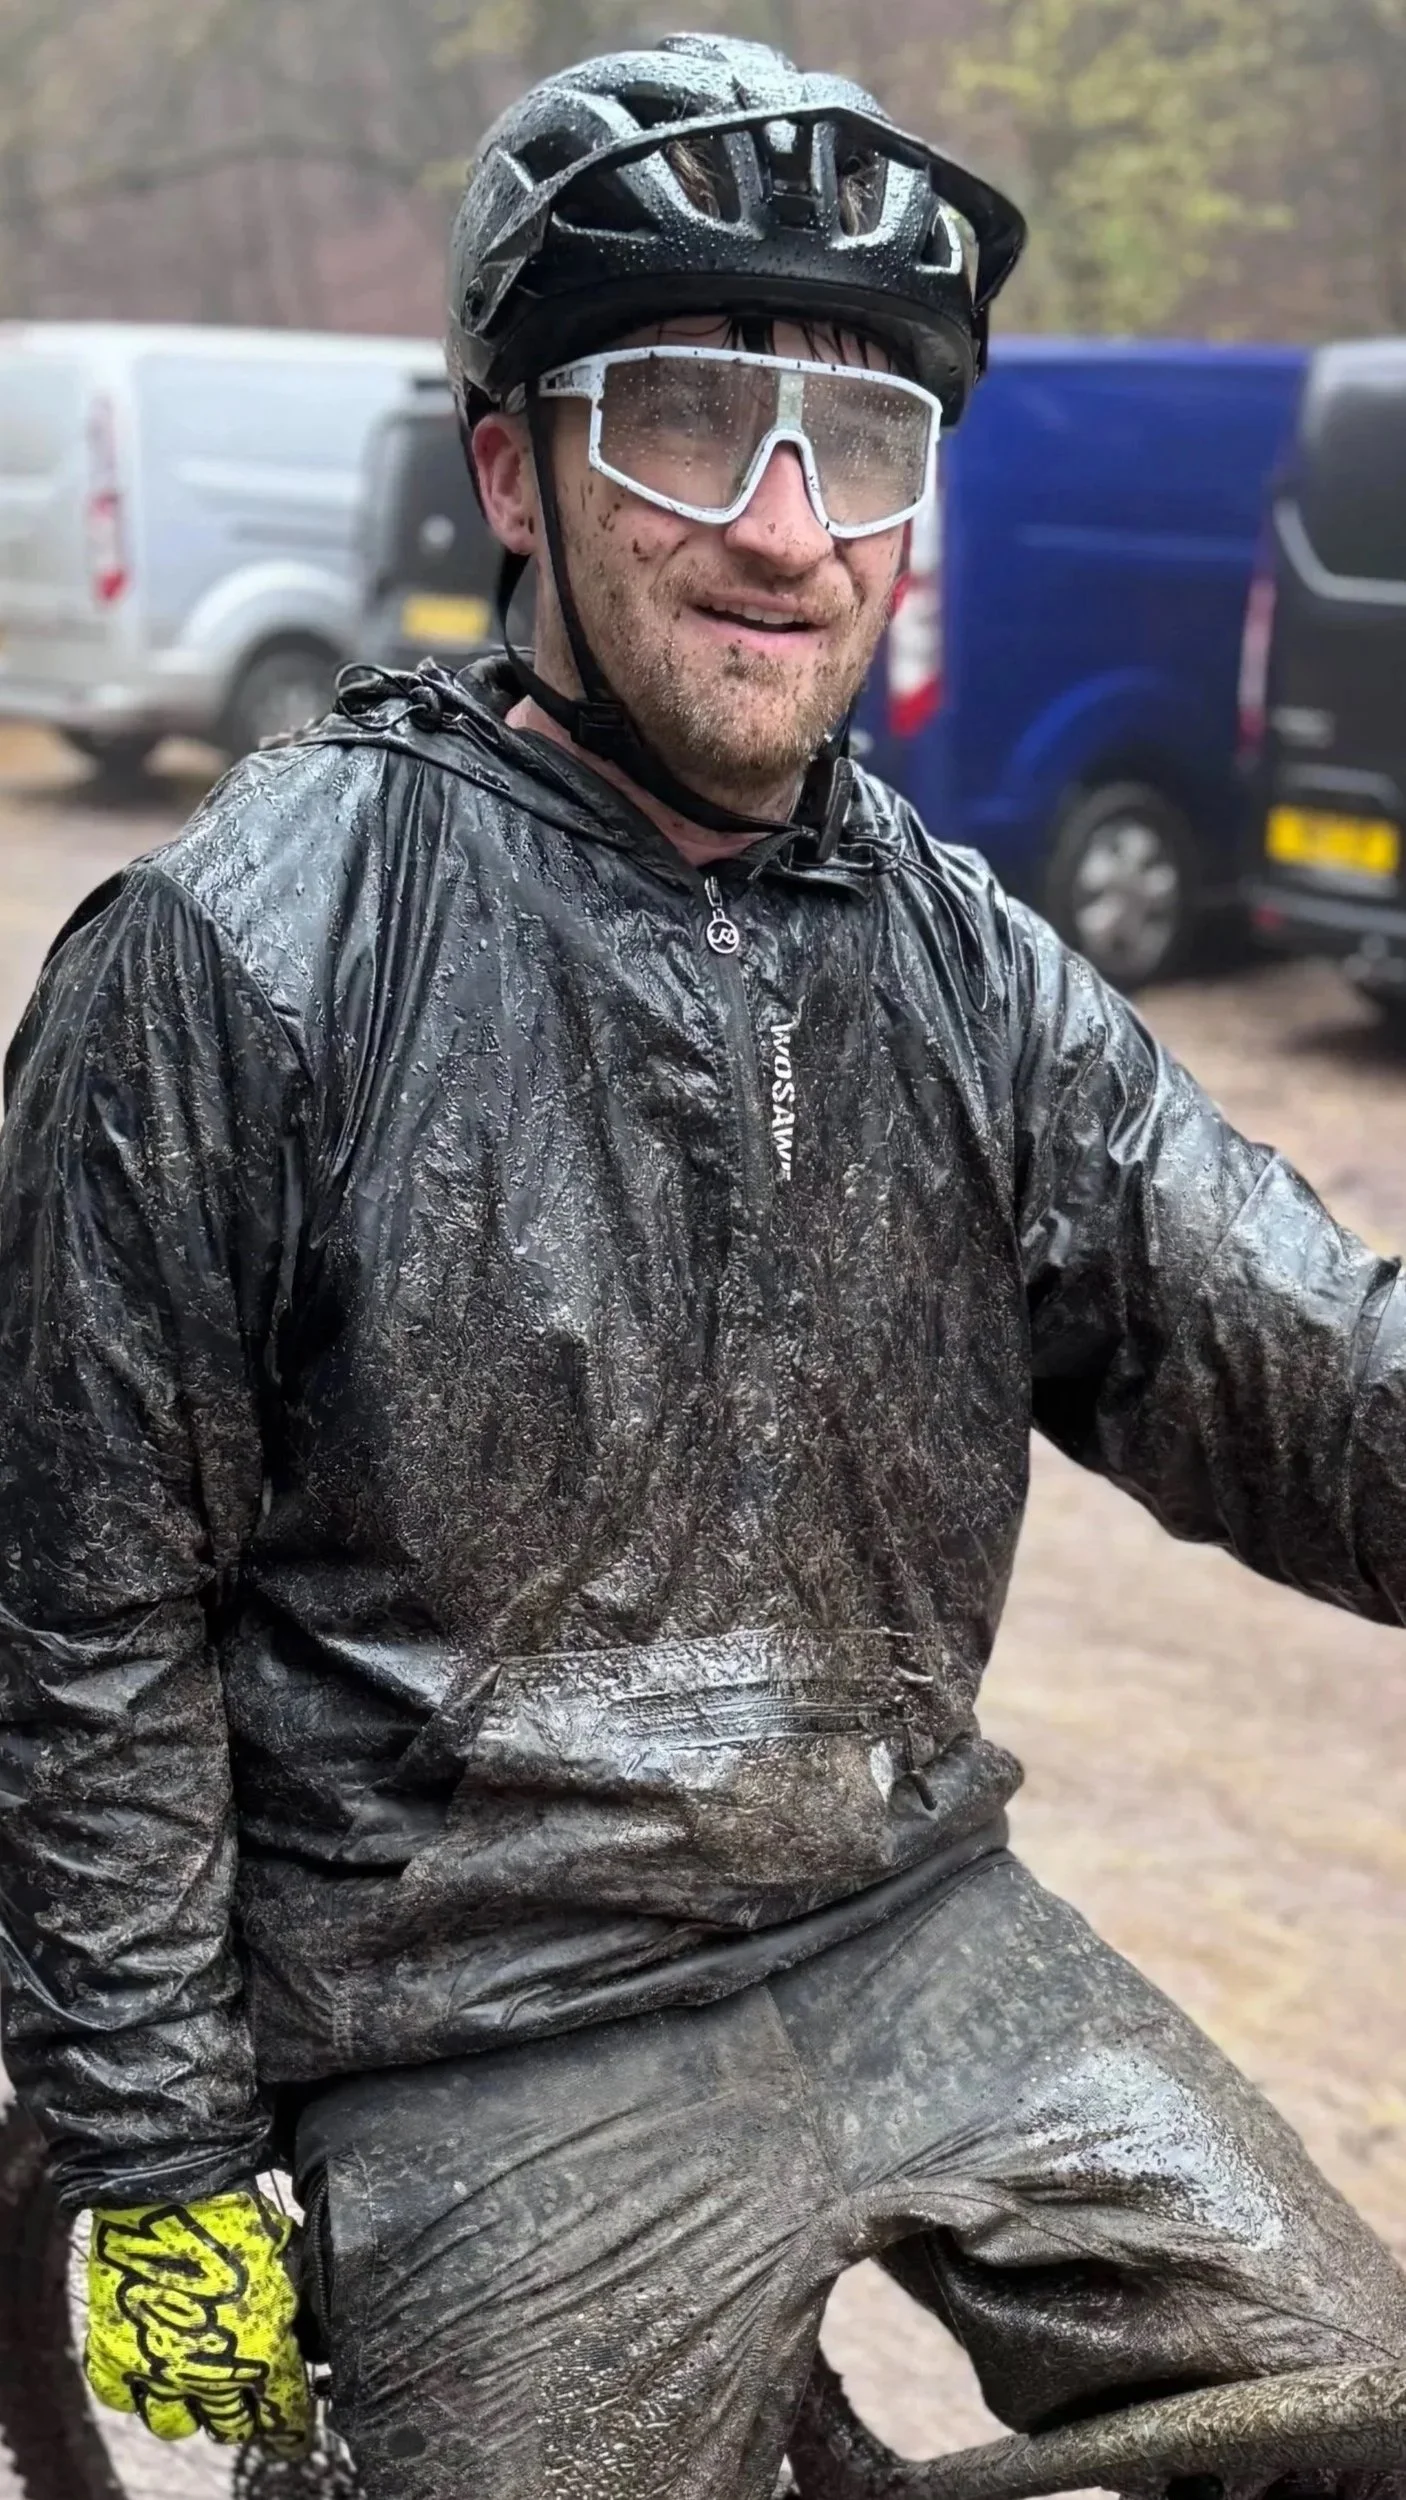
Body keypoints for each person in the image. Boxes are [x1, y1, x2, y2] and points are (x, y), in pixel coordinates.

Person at [0, 32, 1403, 2500]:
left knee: (1357, 2410)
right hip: (475, 2028)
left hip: (916, 1924)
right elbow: (79, 1600)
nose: (782, 524)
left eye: (855, 439)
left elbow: (1309, 1375)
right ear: (510, 471)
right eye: (685, 418)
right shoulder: (243, 951)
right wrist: (153, 2144)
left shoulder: (963, 963)